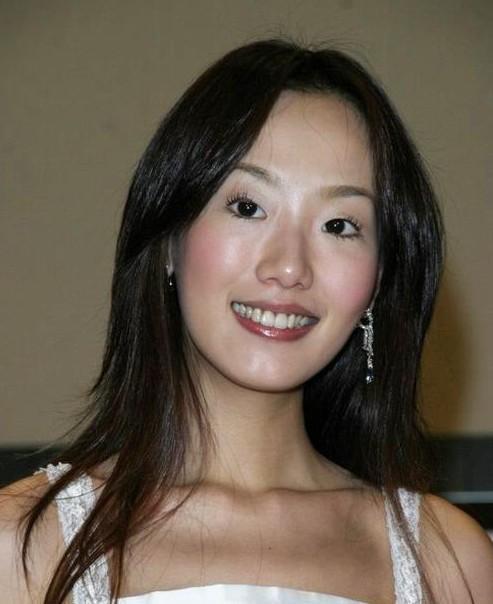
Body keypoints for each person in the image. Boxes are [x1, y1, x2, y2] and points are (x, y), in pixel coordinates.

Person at [1, 38, 492, 604]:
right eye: (248, 207)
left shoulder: (448, 561)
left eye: (339, 225)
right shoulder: (21, 545)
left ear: (379, 279)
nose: (289, 267)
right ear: (169, 238)